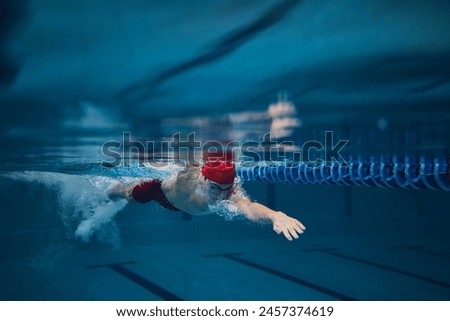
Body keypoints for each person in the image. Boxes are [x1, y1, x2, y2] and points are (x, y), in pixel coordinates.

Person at [108, 160, 305, 241]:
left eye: (226, 189)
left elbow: (249, 208)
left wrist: (274, 215)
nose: (221, 195)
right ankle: (105, 190)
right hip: (161, 192)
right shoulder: (189, 172)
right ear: (203, 178)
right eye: (215, 188)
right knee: (129, 195)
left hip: (178, 207)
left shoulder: (230, 193)